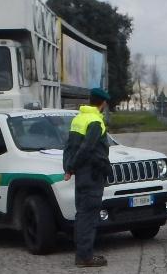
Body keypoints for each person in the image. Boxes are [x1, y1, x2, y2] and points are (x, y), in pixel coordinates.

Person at [63, 88, 111, 267]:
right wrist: (73, 166)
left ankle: (82, 254)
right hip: (92, 174)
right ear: (103, 103)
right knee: (89, 216)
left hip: (81, 176)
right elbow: (87, 148)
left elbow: (69, 147)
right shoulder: (95, 121)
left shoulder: (78, 119)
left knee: (82, 214)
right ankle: (85, 257)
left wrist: (68, 168)